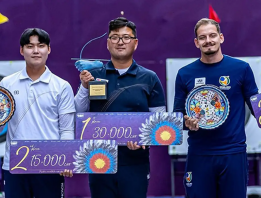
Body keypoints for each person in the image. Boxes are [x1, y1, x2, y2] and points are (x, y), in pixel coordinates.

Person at [74, 17, 166, 198]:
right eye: (115, 37)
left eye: (126, 37)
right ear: (108, 43)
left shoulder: (149, 78)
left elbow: (159, 120)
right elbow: (78, 113)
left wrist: (144, 139)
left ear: (135, 43)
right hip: (99, 159)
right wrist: (84, 87)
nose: (120, 42)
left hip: (135, 162)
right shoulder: (92, 75)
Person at [173, 18, 259, 198]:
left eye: (212, 35)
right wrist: (186, 121)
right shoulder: (184, 74)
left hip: (233, 153)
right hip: (199, 154)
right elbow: (178, 117)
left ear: (221, 37)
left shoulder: (241, 68)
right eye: (202, 37)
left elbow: (256, 105)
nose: (208, 40)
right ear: (196, 42)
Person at [0, 28, 76, 198]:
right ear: (21, 50)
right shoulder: (7, 83)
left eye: (41, 46)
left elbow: (67, 129)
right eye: (29, 46)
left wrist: (65, 158)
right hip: (15, 166)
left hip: (50, 166)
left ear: (48, 49)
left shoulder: (61, 86)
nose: (35, 51)